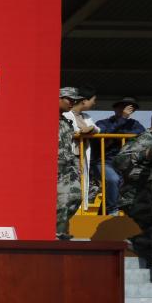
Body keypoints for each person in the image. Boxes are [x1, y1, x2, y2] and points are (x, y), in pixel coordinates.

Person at [113, 115, 152, 263]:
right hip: (136, 195)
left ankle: (141, 244)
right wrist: (146, 154)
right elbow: (119, 161)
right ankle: (139, 243)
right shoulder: (146, 139)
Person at [95, 97, 145, 214]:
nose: (125, 109)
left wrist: (118, 136)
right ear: (115, 108)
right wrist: (122, 118)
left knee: (129, 185)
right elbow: (103, 133)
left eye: (130, 107)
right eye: (122, 106)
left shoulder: (135, 124)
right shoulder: (103, 123)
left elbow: (142, 135)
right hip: (105, 161)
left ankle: (104, 213)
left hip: (126, 163)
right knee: (113, 180)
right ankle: (112, 211)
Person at [57, 88, 84, 240]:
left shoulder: (66, 121)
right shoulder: (42, 117)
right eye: (69, 99)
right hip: (52, 168)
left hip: (68, 167)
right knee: (62, 202)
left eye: (75, 100)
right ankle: (58, 233)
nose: (72, 103)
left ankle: (59, 230)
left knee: (76, 197)